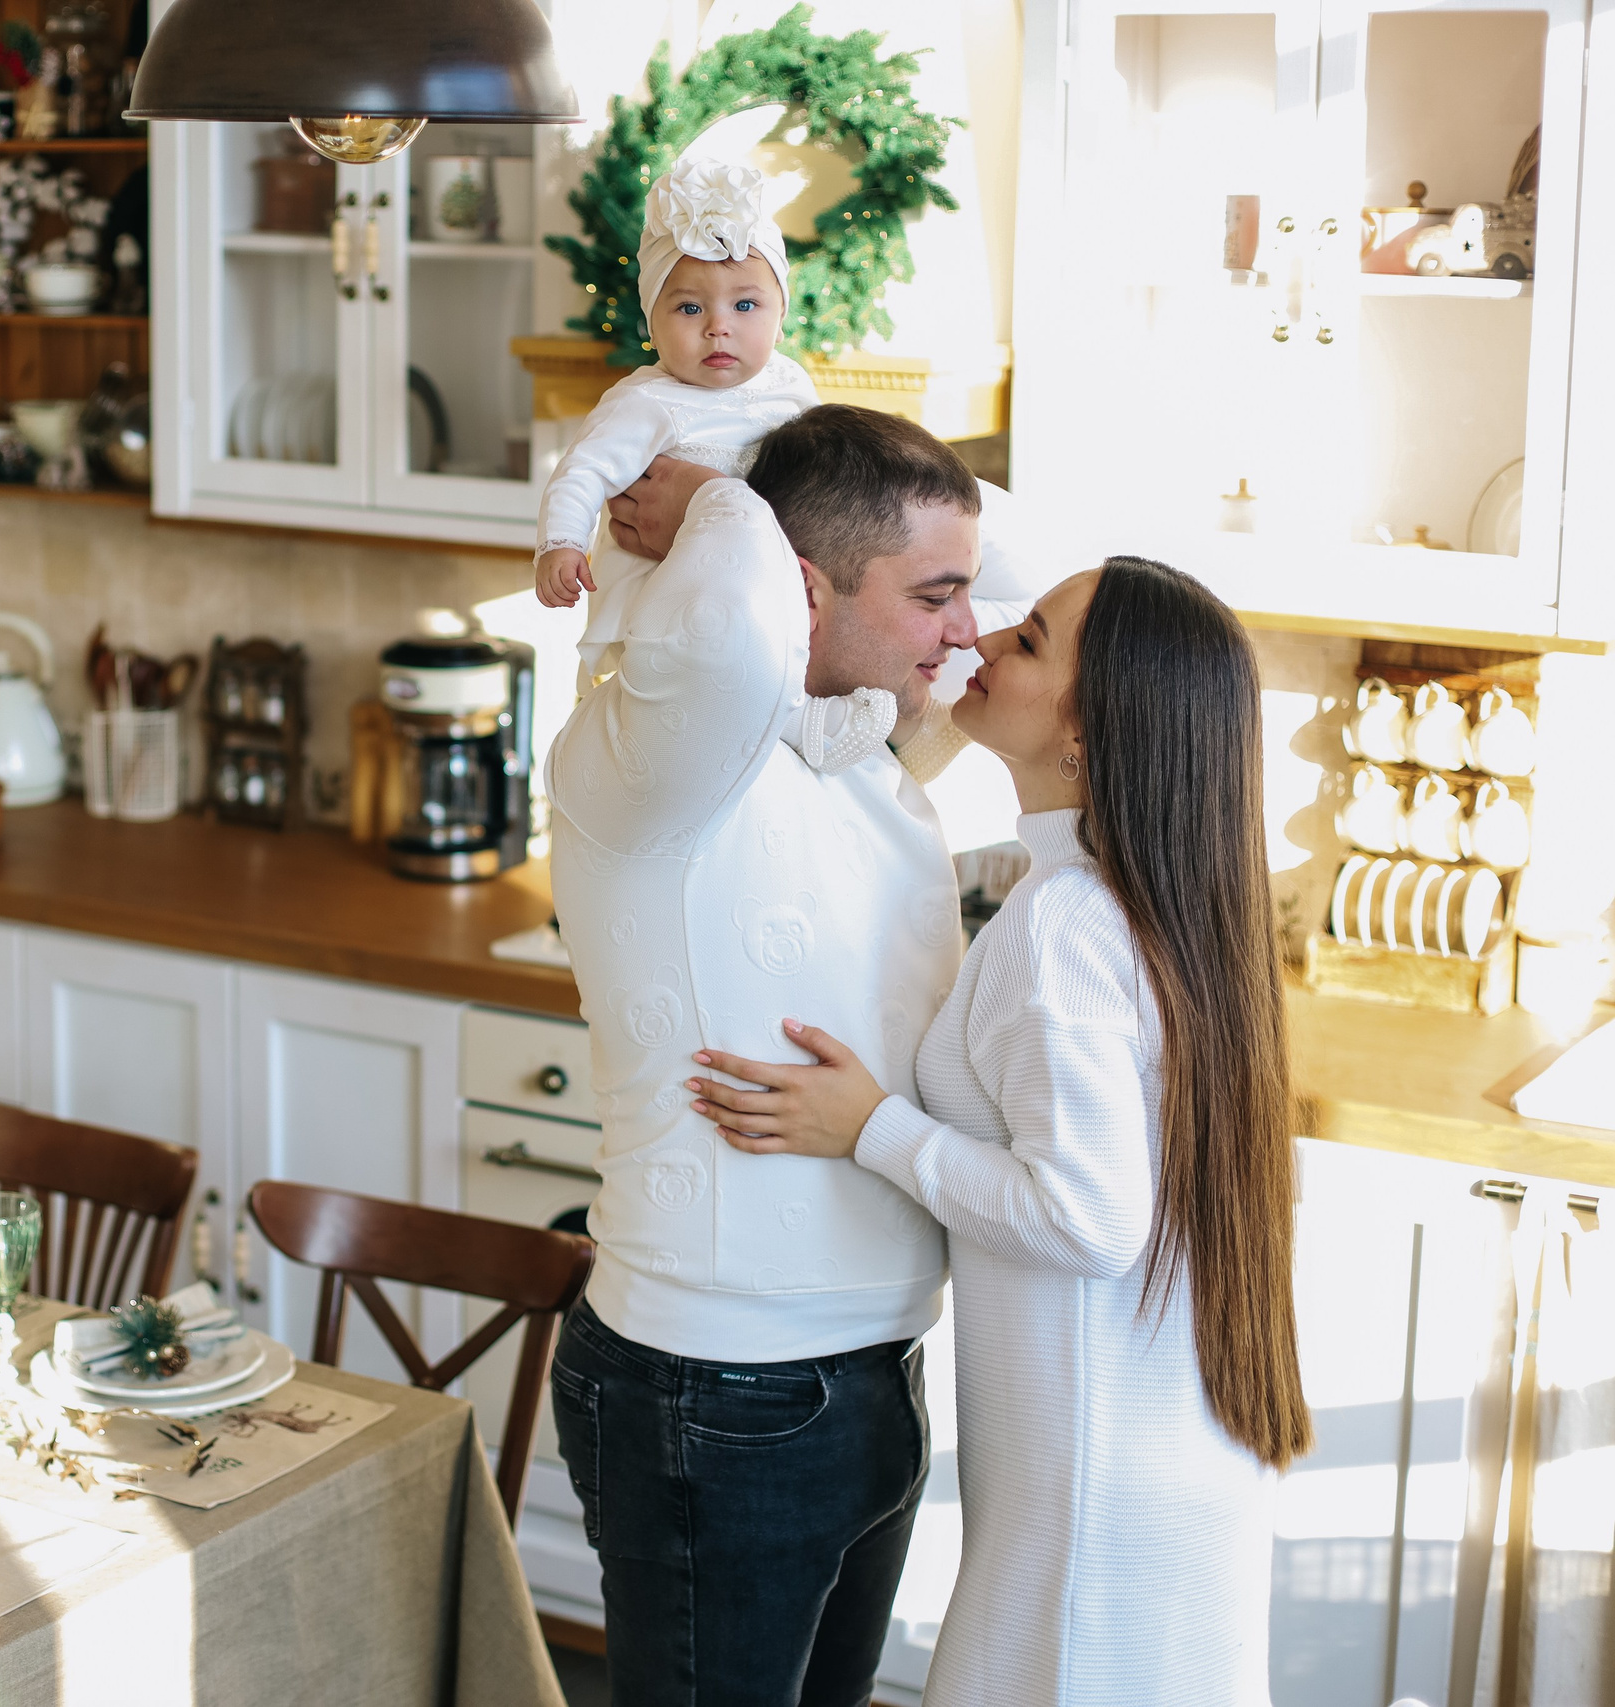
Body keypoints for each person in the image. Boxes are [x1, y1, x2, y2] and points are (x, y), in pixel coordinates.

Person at [688, 558, 1313, 1705]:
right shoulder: (1145, 900)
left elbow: (1088, 1216)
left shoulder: (1069, 926)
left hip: (1093, 1506)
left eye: (1026, 641)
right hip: (1163, 1462)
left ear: (1089, 735)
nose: (980, 641)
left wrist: (869, 1127)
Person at [544, 404, 1033, 1707]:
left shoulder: (871, 755)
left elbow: (1043, 588)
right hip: (715, 1390)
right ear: (801, 582)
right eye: (935, 594)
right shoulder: (657, 757)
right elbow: (736, 619)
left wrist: (794, 510)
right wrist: (719, 492)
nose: (969, 626)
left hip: (871, 1367)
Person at [533, 157, 819, 687]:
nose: (718, 328)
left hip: (759, 599)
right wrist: (562, 543)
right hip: (658, 604)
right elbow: (583, 471)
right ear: (652, 321)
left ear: (781, 316)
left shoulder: (792, 386)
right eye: (689, 309)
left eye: (746, 305)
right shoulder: (647, 401)